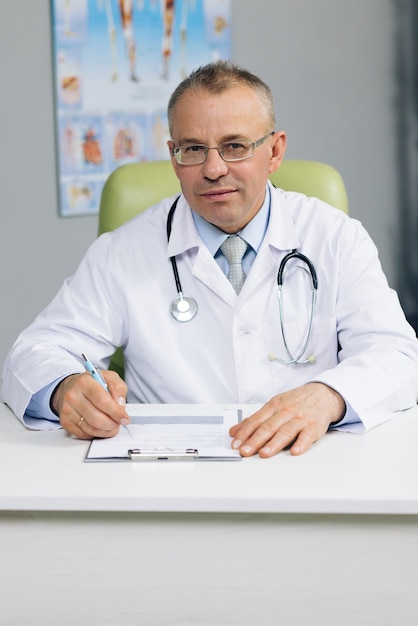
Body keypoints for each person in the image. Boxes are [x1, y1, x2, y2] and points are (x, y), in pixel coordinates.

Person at [2, 61, 418, 458]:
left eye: (235, 146)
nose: (214, 168)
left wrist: (328, 397)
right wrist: (65, 388)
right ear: (173, 157)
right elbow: (35, 352)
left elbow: (396, 354)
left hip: (307, 461)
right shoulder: (123, 252)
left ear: (274, 152)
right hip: (172, 473)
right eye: (193, 149)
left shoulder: (335, 237)